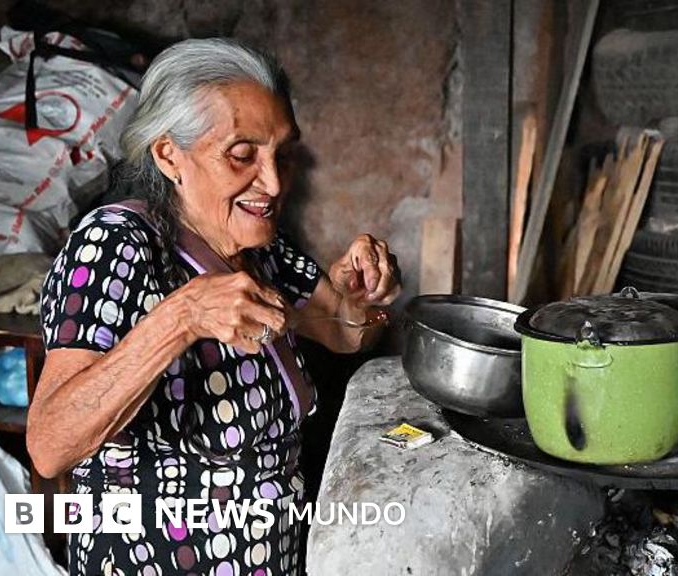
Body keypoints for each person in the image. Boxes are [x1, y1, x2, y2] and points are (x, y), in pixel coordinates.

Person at [26, 38, 401, 575]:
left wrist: (360, 293)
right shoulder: (117, 244)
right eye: (242, 155)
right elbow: (49, 446)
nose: (273, 182)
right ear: (168, 155)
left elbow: (347, 333)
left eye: (283, 155)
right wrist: (181, 318)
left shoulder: (261, 247)